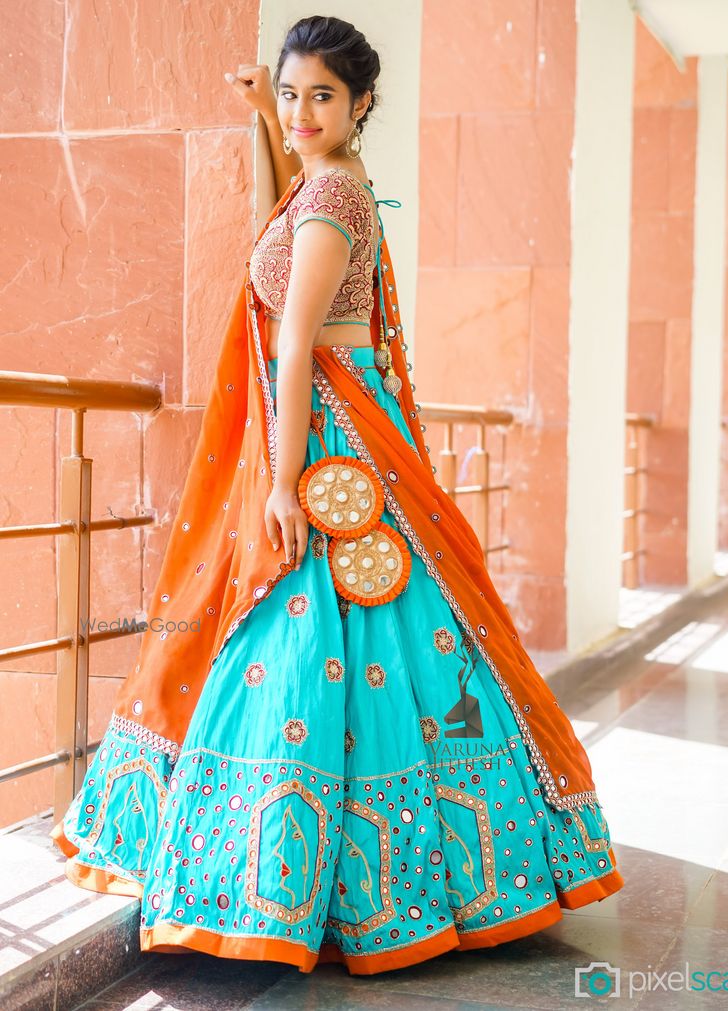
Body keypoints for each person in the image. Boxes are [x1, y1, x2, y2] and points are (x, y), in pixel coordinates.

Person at [49, 15, 624, 976]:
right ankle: (411, 876)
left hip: (326, 449)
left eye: (322, 96)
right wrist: (256, 129)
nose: (301, 113)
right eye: (290, 94)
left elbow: (292, 335)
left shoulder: (335, 207)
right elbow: (275, 229)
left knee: (308, 632)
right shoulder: (324, 187)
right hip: (335, 435)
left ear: (362, 105)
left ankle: (291, 888)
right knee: (373, 644)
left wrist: (279, 487)